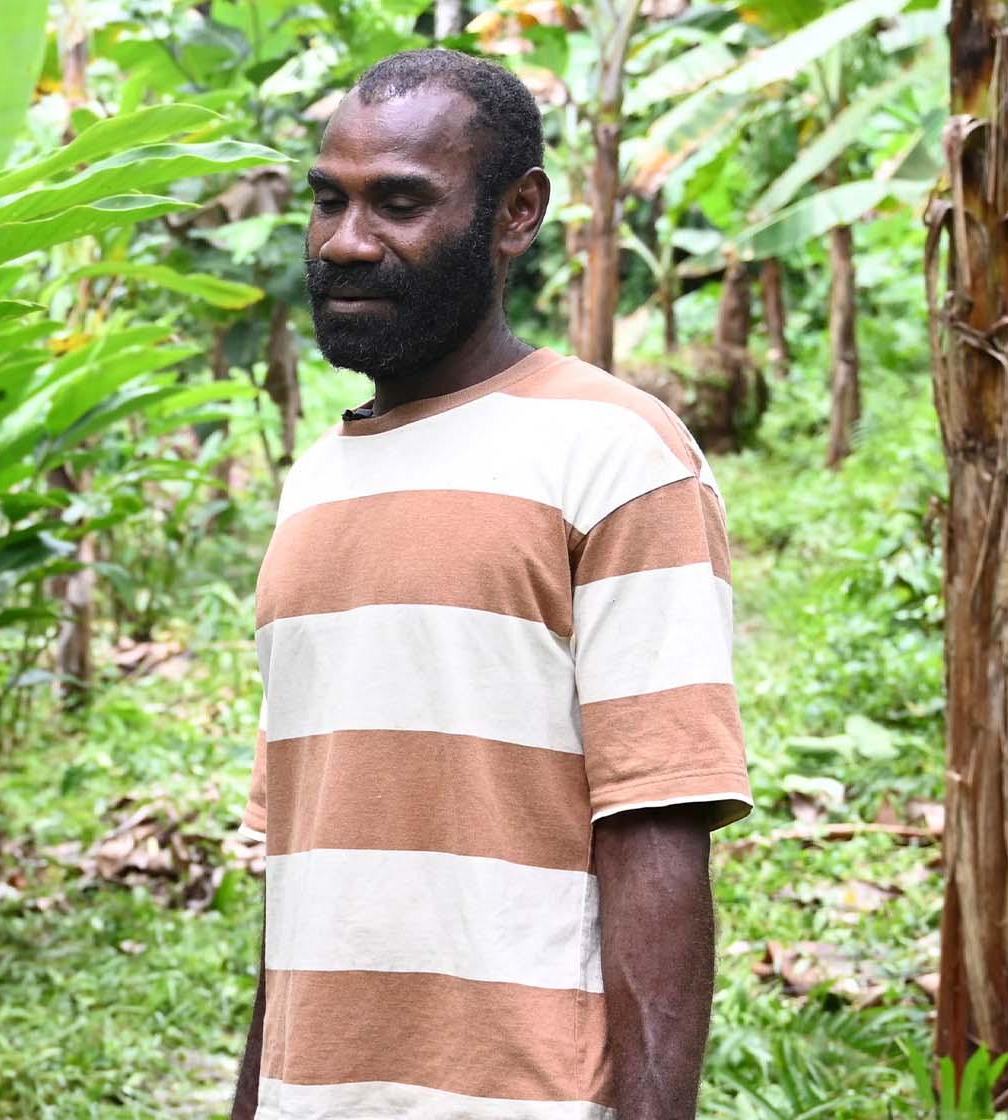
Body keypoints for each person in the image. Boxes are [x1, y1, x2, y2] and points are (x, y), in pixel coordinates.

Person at [228, 50, 751, 1120]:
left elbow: (655, 824)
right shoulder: (314, 483)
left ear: (515, 214)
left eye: (400, 203)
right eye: (328, 199)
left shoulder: (616, 454)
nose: (344, 241)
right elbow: (302, 858)